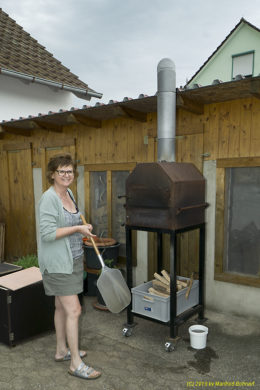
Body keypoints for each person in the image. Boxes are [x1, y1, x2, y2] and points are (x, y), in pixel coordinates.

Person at [37, 153, 101, 380]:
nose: (67, 175)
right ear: (52, 174)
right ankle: (75, 363)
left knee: (61, 307)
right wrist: (76, 230)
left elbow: (72, 219)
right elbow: (47, 234)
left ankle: (61, 350)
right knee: (74, 310)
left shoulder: (69, 193)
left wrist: (83, 226)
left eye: (70, 171)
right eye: (62, 171)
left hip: (73, 259)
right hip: (57, 264)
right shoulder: (49, 198)